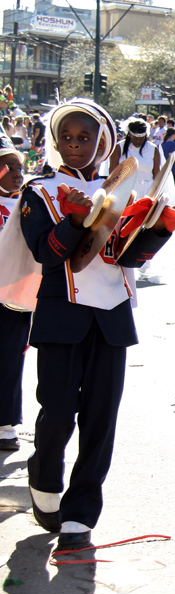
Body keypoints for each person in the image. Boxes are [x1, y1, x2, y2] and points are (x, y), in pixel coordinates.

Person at [17, 98, 175, 549]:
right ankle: (44, 480)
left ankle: (81, 513)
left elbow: (127, 257)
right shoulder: (39, 191)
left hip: (112, 316)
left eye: (85, 137)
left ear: (103, 143)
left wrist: (159, 228)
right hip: (61, 314)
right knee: (57, 413)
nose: (75, 144)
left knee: (100, 418)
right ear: (55, 141)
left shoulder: (124, 190)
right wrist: (75, 219)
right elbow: (46, 253)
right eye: (67, 137)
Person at [0, 137, 28, 452]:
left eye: (19, 167)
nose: (17, 173)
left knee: (9, 358)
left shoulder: (27, 205)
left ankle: (5, 424)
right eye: (8, 167)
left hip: (13, 296)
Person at [109, 118, 160, 199]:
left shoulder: (153, 148)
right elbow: (113, 172)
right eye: (135, 138)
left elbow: (157, 174)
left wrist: (156, 193)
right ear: (129, 134)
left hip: (147, 190)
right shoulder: (119, 147)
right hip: (125, 190)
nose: (138, 141)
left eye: (141, 139)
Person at [160, 127, 175, 200]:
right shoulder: (172, 144)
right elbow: (172, 156)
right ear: (173, 134)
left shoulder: (163, 144)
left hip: (164, 169)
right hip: (172, 169)